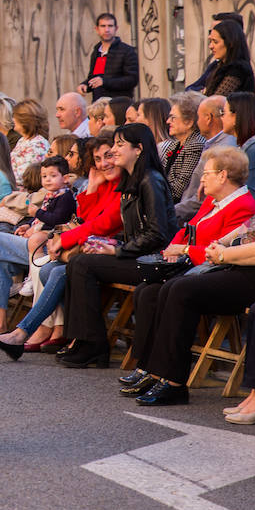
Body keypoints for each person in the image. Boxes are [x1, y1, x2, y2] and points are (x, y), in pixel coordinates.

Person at [128, 143, 255, 414]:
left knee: (181, 290)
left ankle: (174, 381)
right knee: (171, 288)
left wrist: (223, 254)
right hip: (242, 268)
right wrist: (219, 245)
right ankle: (158, 374)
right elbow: (248, 228)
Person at [120, 146, 255, 405]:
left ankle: (171, 379)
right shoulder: (212, 200)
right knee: (147, 290)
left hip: (227, 271)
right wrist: (171, 251)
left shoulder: (243, 206)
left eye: (207, 173)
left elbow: (220, 249)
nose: (202, 179)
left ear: (223, 175)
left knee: (174, 290)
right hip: (196, 265)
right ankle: (149, 367)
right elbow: (188, 229)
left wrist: (185, 250)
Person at [0, 134, 122, 357]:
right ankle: (48, 331)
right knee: (47, 268)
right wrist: (92, 188)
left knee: (50, 267)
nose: (103, 164)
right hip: (90, 245)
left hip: (110, 248)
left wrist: (63, 239)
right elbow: (85, 219)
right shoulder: (105, 184)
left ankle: (27, 333)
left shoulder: (121, 186)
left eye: (108, 156)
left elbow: (102, 224)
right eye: (97, 159)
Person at [60, 123, 176, 368]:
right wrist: (110, 243)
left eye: (120, 144)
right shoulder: (132, 181)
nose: (113, 150)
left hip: (154, 261)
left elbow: (158, 234)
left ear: (139, 149)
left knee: (82, 265)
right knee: (78, 261)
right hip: (137, 254)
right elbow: (136, 231)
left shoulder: (150, 180)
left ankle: (93, 344)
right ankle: (81, 341)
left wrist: (118, 250)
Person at [0, 155, 78, 339]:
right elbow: (41, 219)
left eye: (52, 176)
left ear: (65, 177)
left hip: (47, 247)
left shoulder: (65, 196)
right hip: (35, 241)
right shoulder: (50, 194)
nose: (47, 180)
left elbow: (57, 220)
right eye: (44, 176)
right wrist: (28, 224)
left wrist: (36, 212)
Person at [172, 95, 233, 221]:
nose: (196, 122)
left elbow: (203, 197)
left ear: (208, 118)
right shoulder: (210, 143)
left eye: (198, 117)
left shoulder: (222, 148)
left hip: (197, 218)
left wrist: (170, 212)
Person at [79, 12, 138, 98]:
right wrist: (85, 85)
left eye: (110, 26)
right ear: (97, 29)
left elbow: (132, 80)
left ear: (116, 28)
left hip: (119, 106)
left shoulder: (127, 51)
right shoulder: (97, 52)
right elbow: (95, 77)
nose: (107, 30)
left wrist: (105, 82)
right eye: (103, 26)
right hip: (98, 105)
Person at [163, 91, 206, 201]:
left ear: (189, 122)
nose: (168, 121)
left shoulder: (195, 145)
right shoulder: (175, 144)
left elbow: (177, 190)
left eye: (173, 118)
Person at [202, 20, 255, 97]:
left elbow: (216, 101)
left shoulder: (237, 69)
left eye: (215, 42)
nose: (210, 46)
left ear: (230, 43)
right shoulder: (218, 66)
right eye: (210, 41)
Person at [10, 99, 50, 175]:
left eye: (15, 116)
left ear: (25, 120)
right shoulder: (23, 140)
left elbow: (26, 175)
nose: (13, 119)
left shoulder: (38, 144)